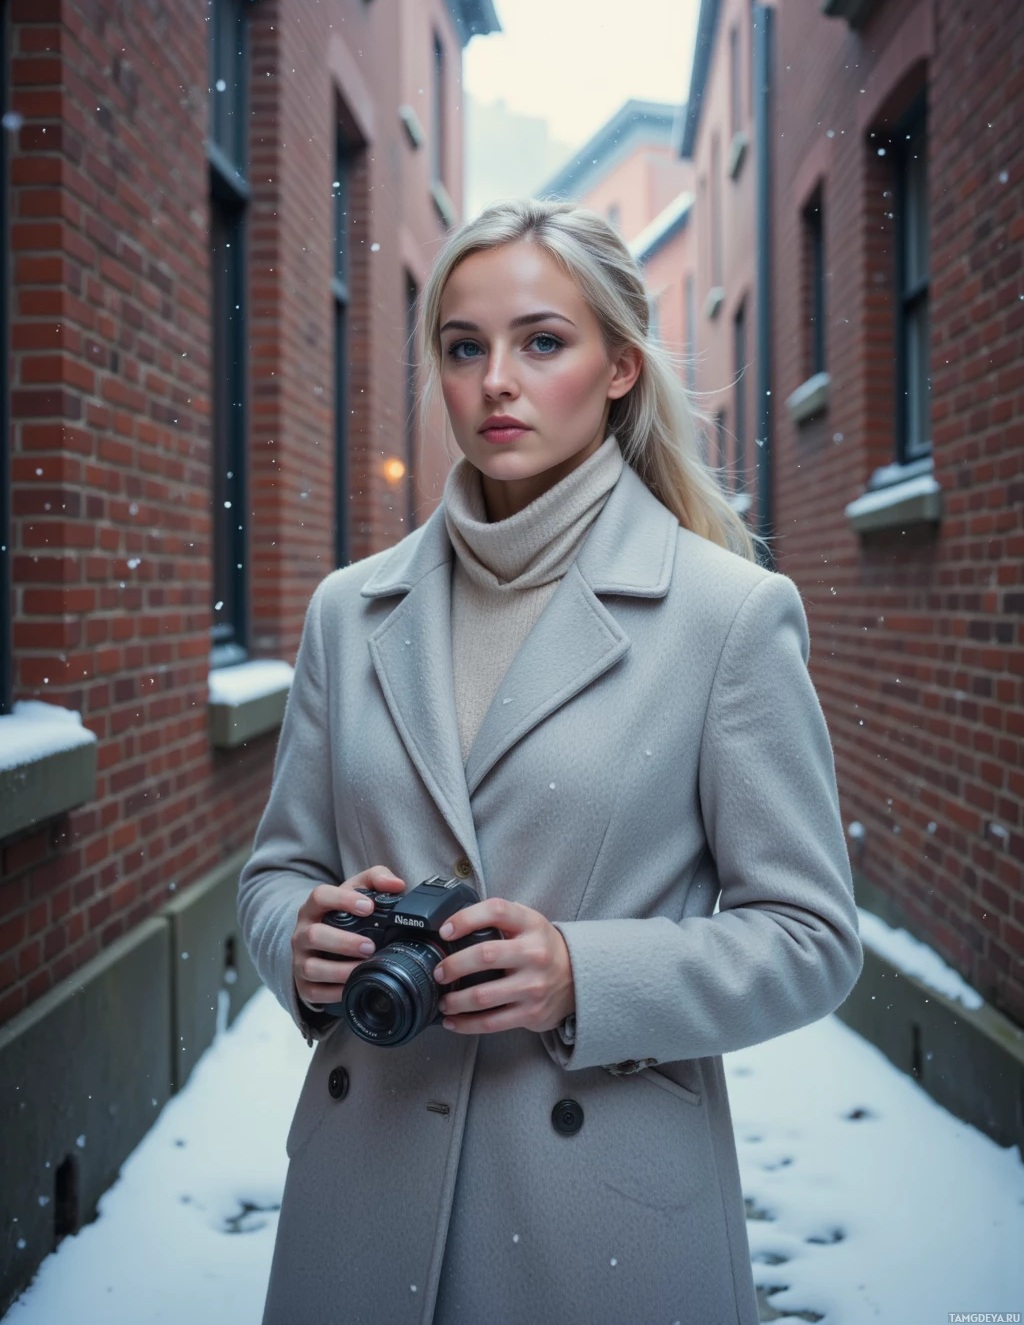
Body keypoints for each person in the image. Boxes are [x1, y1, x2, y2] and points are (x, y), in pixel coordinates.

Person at [238, 197, 863, 1325]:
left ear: (620, 366)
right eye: (463, 347)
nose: (495, 383)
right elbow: (274, 874)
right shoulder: (348, 610)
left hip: (598, 1220)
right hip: (362, 1189)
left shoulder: (726, 617)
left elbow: (812, 941)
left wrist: (582, 974)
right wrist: (305, 941)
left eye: (541, 341)